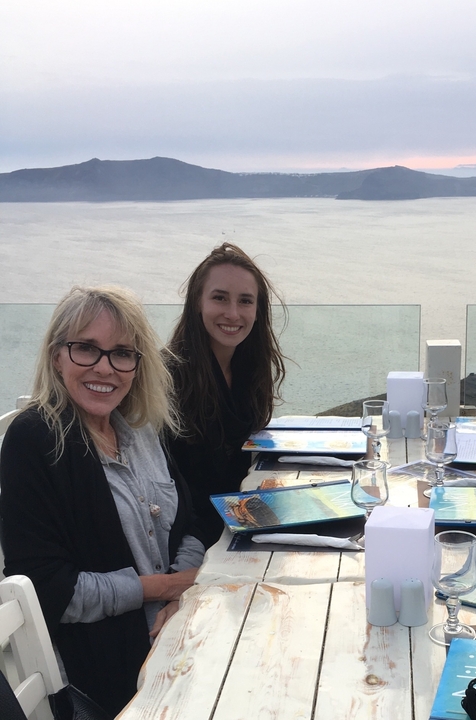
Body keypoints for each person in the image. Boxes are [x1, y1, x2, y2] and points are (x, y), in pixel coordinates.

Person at [0, 286, 204, 716]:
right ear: (57, 356)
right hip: (112, 680)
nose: (105, 367)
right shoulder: (34, 441)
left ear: (137, 366)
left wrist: (176, 595)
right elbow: (50, 588)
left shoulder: (140, 430)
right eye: (86, 348)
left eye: (122, 353)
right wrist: (166, 587)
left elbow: (188, 522)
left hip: (181, 635)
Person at [167, 243, 286, 546]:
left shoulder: (249, 369)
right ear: (197, 302)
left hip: (238, 519)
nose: (233, 314)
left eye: (245, 301)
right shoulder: (169, 378)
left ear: (258, 311)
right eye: (219, 298)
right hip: (193, 539)